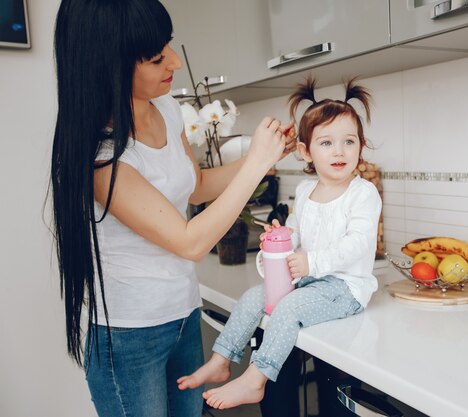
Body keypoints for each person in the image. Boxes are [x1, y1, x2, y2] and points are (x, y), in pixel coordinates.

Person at [49, 1, 294, 416]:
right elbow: (190, 242)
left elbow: (196, 187)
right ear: (109, 63)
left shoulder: (165, 108)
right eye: (158, 56)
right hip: (128, 339)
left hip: (182, 314)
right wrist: (255, 165)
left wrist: (265, 157)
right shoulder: (101, 156)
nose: (175, 61)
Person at [177, 77, 383, 410]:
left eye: (349, 141)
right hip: (310, 283)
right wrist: (281, 241)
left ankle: (256, 379)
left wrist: (311, 262)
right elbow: (297, 234)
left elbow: (359, 245)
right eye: (327, 143)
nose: (340, 151)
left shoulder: (363, 193)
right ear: (305, 151)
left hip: (345, 289)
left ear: (361, 145)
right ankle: (222, 358)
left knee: (287, 308)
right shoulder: (304, 191)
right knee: (252, 297)